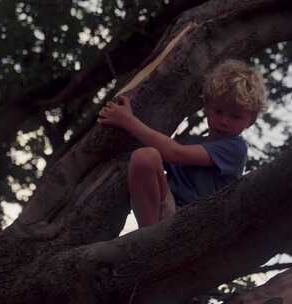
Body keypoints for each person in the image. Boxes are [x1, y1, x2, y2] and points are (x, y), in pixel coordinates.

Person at [97, 60, 267, 227]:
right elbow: (156, 159)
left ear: (251, 120)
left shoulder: (235, 148)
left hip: (195, 223)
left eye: (235, 116)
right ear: (206, 106)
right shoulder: (191, 142)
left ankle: (150, 240)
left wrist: (128, 121)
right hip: (165, 210)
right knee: (146, 157)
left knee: (147, 155)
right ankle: (149, 234)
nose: (224, 121)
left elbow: (175, 153)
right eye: (218, 111)